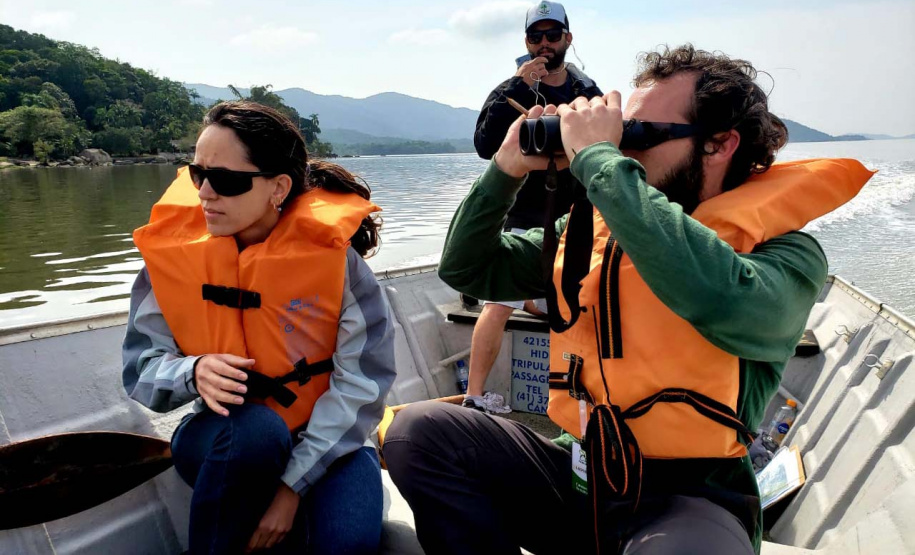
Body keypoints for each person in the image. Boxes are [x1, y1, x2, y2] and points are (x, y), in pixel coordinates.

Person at [383, 45, 871, 554]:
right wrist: (505, 169)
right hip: (580, 478)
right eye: (621, 132)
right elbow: (469, 270)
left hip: (687, 500)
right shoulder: (591, 233)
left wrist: (597, 157)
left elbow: (719, 296)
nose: (623, 149)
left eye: (638, 135)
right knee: (418, 433)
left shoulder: (786, 253)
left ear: (720, 144)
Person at [122, 101, 396, 554]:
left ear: (278, 187)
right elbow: (140, 373)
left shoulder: (337, 266)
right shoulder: (170, 262)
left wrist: (289, 492)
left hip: (329, 441)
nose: (206, 193)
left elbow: (361, 387)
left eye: (227, 180)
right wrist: (192, 371)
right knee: (259, 430)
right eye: (198, 174)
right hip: (224, 440)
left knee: (347, 541)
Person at [464, 0, 603, 411]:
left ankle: (591, 399)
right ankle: (473, 395)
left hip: (574, 218)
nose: (544, 43)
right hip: (523, 215)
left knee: (583, 303)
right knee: (497, 305)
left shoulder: (587, 92)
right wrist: (519, 85)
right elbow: (484, 146)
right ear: (526, 40)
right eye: (535, 36)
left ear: (567, 39)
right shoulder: (510, 90)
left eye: (552, 34)